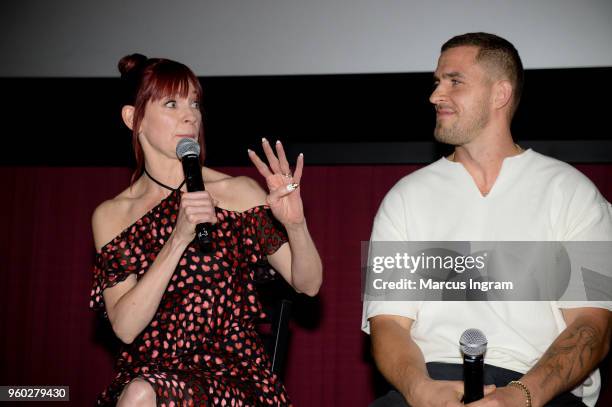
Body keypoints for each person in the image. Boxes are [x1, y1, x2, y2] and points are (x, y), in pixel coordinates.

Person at [362, 33, 612, 407]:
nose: (435, 95)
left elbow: (592, 326)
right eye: (436, 82)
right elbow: (389, 325)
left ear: (500, 94)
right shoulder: (405, 197)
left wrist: (521, 396)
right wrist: (420, 390)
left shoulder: (574, 192)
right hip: (433, 381)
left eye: (454, 81)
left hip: (537, 388)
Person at [89, 53, 322, 406]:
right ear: (133, 118)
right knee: (139, 391)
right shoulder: (112, 215)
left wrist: (296, 225)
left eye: (194, 103)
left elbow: (308, 283)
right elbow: (125, 327)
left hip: (233, 376)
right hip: (149, 374)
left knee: (140, 395)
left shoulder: (237, 192)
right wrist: (178, 239)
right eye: (172, 103)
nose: (190, 115)